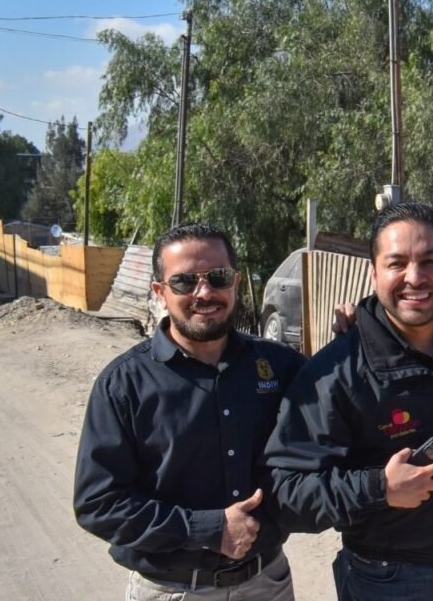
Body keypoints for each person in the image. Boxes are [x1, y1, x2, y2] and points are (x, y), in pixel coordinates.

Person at [263, 202, 433, 601]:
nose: (415, 278)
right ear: (373, 273)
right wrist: (379, 487)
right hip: (384, 578)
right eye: (397, 263)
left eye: (429, 261)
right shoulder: (335, 371)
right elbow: (285, 491)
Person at [74, 222, 305, 600]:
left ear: (236, 282)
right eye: (184, 282)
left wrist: (357, 330)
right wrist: (209, 529)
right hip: (173, 591)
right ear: (160, 292)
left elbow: (340, 404)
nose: (204, 292)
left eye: (218, 277)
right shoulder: (124, 384)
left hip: (268, 584)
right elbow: (99, 504)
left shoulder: (279, 366)